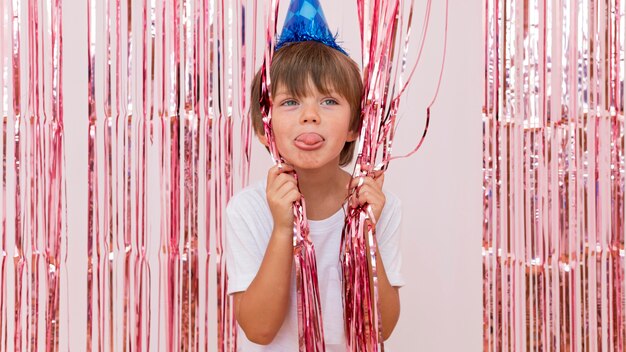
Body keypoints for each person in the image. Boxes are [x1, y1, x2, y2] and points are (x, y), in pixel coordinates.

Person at [224, 1, 405, 351]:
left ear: (355, 126)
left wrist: (364, 231)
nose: (310, 116)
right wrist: (282, 228)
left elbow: (382, 328)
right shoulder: (246, 210)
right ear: (265, 128)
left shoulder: (380, 206)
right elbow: (259, 330)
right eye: (291, 102)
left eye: (328, 101)